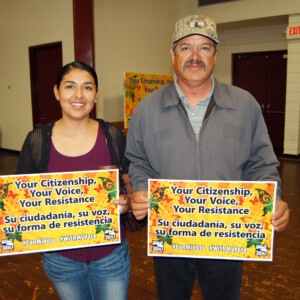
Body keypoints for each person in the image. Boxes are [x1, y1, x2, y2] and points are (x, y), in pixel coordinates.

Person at [125, 15, 290, 300]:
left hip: (226, 235)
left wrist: (272, 198)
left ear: (215, 55)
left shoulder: (244, 104)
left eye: (204, 47)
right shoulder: (147, 109)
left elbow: (261, 163)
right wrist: (140, 188)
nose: (195, 56)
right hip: (171, 234)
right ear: (172, 54)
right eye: (186, 47)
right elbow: (138, 160)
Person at [16, 61, 131, 300]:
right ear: (56, 91)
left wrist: (127, 202)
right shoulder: (37, 141)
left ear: (96, 94)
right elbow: (20, 200)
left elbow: (131, 182)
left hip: (111, 254)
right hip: (61, 258)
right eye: (70, 86)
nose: (79, 95)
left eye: (87, 88)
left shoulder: (113, 135)